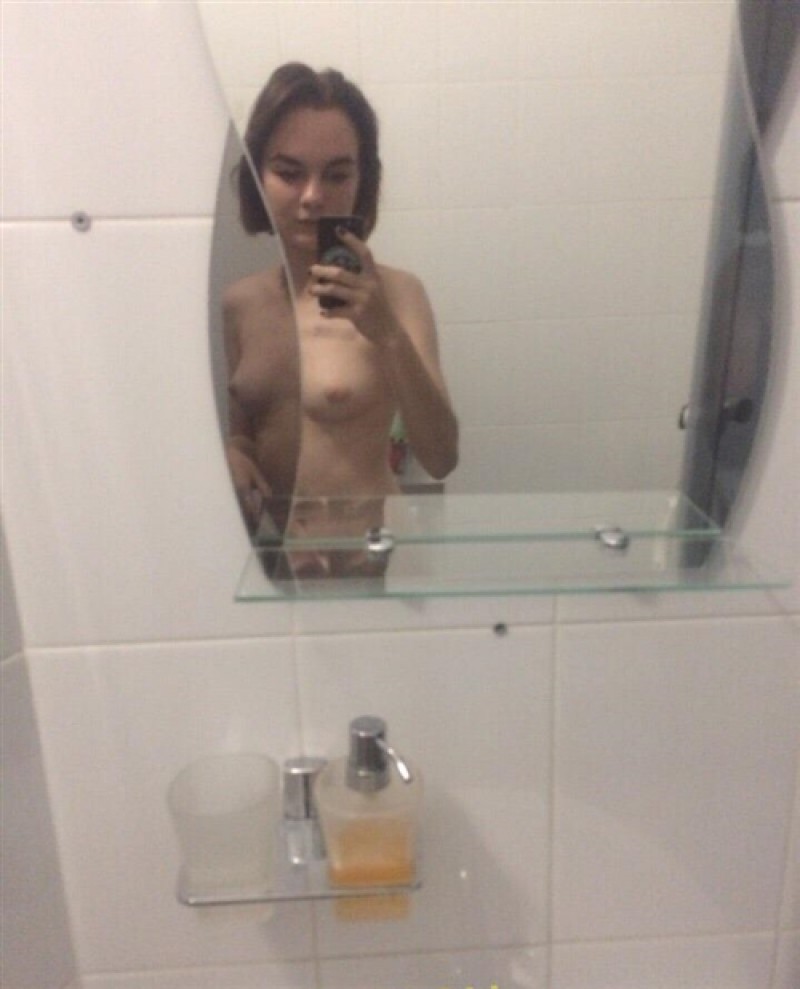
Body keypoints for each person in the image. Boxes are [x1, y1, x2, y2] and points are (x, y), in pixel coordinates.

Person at [223, 62, 458, 548]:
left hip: (367, 558)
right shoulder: (239, 303)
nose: (313, 197)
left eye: (336, 175)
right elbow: (247, 432)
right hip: (275, 556)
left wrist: (386, 332)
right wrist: (234, 453)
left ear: (361, 182)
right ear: (258, 177)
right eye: (289, 173)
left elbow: (441, 458)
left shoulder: (399, 295)